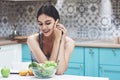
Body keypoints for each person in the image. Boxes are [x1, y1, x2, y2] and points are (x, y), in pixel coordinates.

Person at [27, 2, 75, 75]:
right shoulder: (32, 40)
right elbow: (47, 70)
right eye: (40, 24)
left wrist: (61, 40)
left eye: (48, 23)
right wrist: (56, 40)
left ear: (57, 22)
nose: (43, 28)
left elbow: (60, 71)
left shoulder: (69, 43)